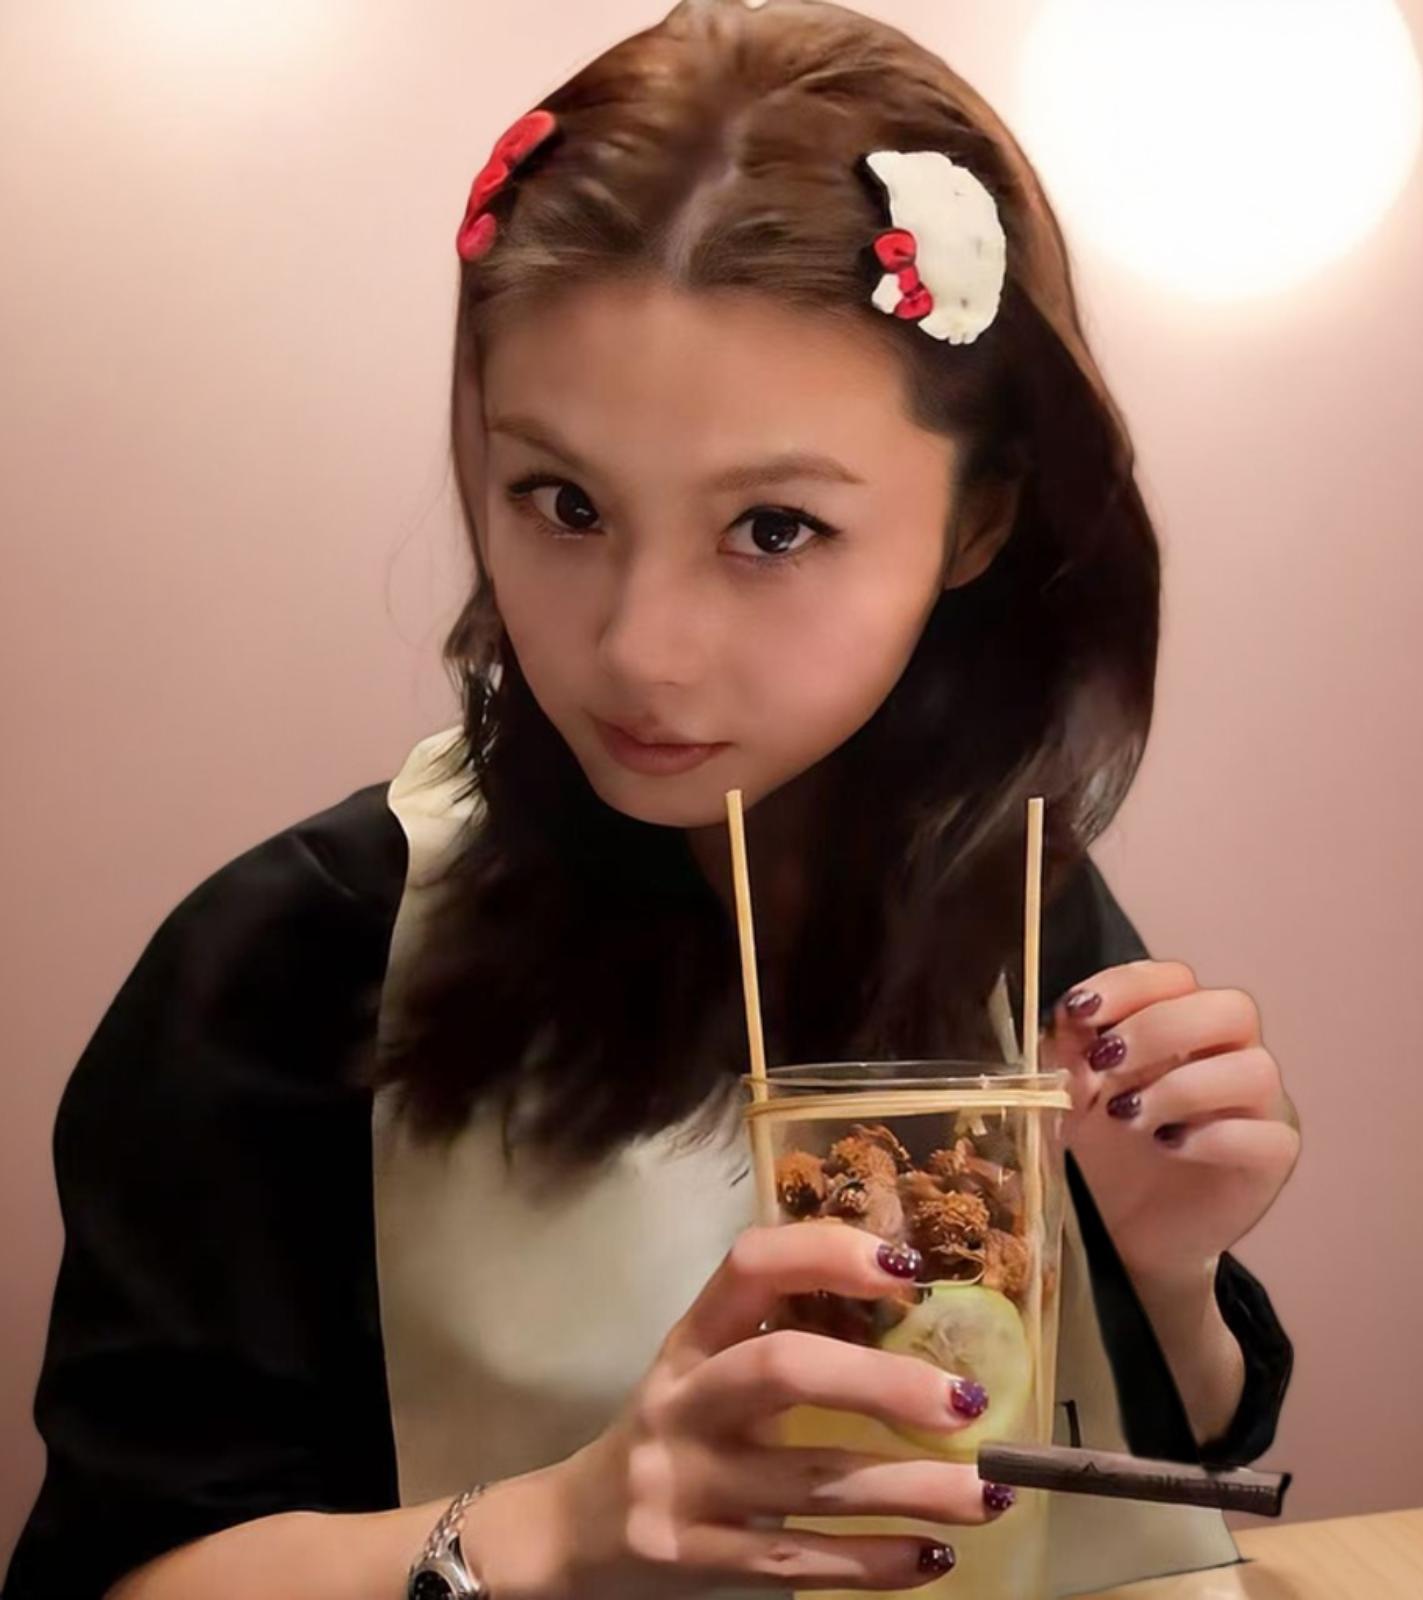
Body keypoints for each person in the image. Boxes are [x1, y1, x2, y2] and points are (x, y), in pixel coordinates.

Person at [3, 2, 1297, 1596]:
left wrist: (1168, 1269)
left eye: (773, 528)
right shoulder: (292, 961)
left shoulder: (1012, 894)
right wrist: (556, 1529)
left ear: (979, 522)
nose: (638, 651)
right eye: (563, 502)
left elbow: (1152, 1470)